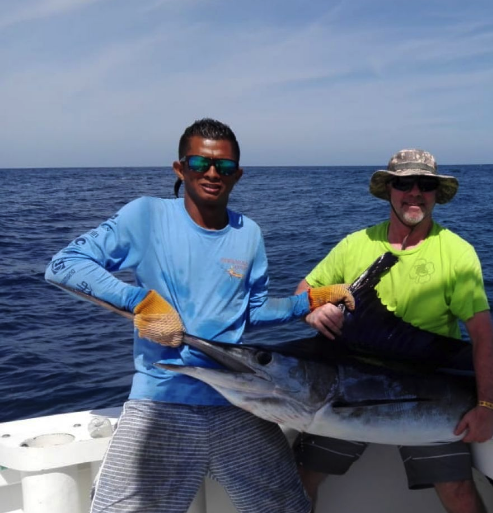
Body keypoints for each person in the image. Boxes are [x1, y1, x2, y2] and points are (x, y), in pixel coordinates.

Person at [44, 118, 353, 513]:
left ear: (237, 174)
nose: (212, 173)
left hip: (239, 400)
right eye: (199, 163)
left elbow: (250, 313)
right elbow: (64, 264)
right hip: (162, 401)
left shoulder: (249, 234)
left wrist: (306, 302)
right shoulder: (147, 216)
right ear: (180, 169)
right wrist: (140, 301)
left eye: (224, 167)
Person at [293, 149, 493, 513]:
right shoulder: (355, 244)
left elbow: (482, 336)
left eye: (426, 184)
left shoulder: (457, 253)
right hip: (348, 393)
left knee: (457, 490)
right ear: (389, 189)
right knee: (298, 479)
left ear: (437, 193)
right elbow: (302, 291)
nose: (415, 192)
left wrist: (486, 406)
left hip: (425, 396)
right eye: (404, 183)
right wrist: (314, 309)